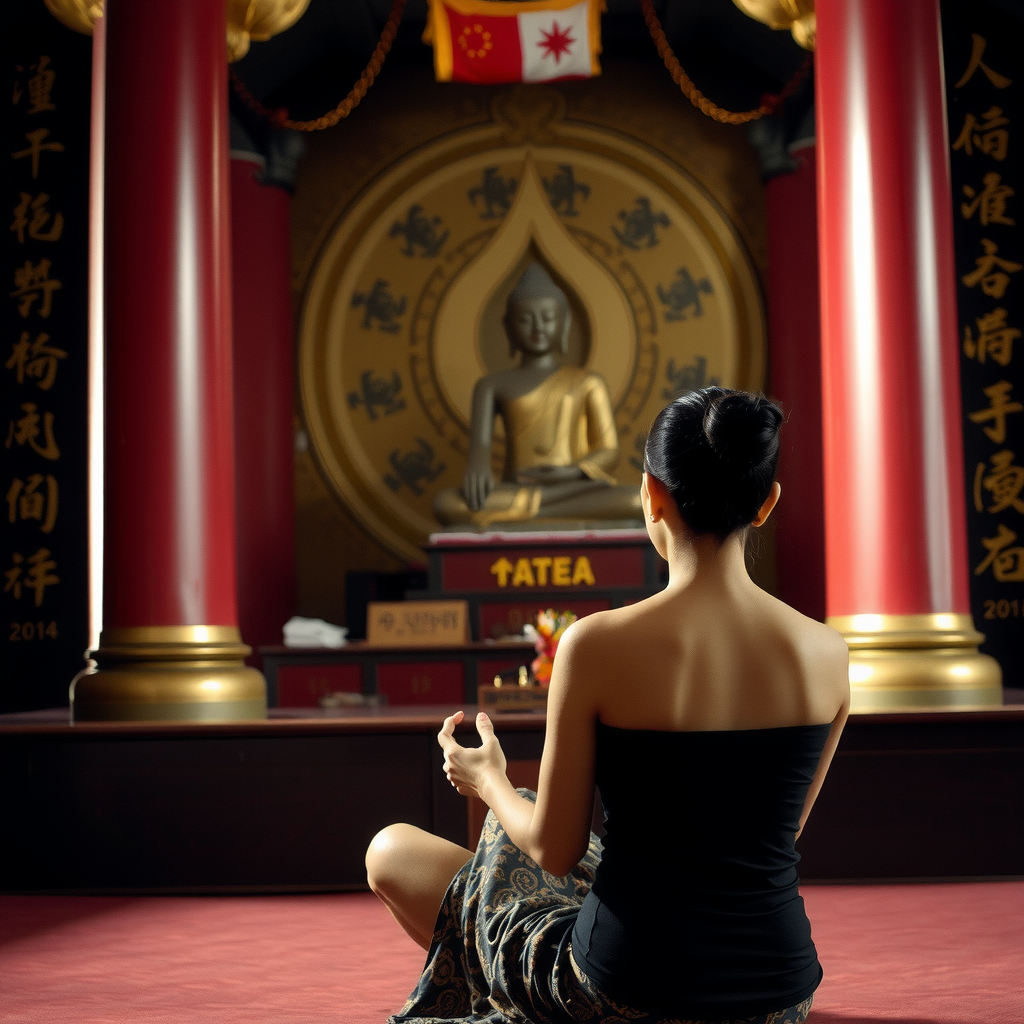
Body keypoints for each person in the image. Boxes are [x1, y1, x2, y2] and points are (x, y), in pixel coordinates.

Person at [368, 387, 850, 1024]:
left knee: (393, 850)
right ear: (767, 503)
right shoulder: (828, 652)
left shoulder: (595, 644)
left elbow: (554, 852)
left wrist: (487, 780)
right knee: (535, 813)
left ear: (651, 494)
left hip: (623, 991)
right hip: (779, 998)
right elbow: (773, 838)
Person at [432, 262, 641, 526]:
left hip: (573, 489)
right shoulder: (491, 385)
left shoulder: (588, 382)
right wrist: (476, 468)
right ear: (508, 327)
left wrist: (571, 473)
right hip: (514, 490)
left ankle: (524, 517)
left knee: (635, 500)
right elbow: (480, 451)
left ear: (564, 324)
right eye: (525, 319)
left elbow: (609, 451)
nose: (537, 328)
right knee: (447, 504)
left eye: (548, 317)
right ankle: (547, 514)